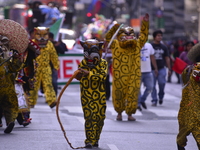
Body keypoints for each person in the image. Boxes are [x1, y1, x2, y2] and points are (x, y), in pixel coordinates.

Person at [105, 13, 149, 121]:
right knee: (118, 93)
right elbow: (107, 39)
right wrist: (113, 29)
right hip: (120, 75)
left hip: (134, 74)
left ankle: (130, 114)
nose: (128, 35)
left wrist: (145, 23)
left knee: (133, 94)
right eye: (125, 33)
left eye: (131, 33)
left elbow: (144, 36)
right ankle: (119, 113)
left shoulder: (137, 44)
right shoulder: (115, 44)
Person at [75, 39, 107, 148]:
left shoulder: (103, 63)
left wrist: (88, 73)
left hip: (100, 95)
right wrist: (79, 73)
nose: (89, 55)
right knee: (89, 117)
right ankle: (89, 140)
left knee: (99, 117)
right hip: (86, 94)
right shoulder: (83, 62)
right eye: (86, 50)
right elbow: (78, 77)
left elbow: (102, 77)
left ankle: (96, 138)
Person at [0, 19, 29, 133]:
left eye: (4, 44)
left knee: (11, 105)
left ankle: (10, 122)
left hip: (7, 87)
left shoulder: (6, 60)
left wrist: (17, 60)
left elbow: (14, 68)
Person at [176, 42, 200, 150]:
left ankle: (180, 146)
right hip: (193, 107)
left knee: (184, 132)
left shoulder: (189, 69)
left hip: (188, 107)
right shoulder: (195, 69)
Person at [28, 27, 59, 108]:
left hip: (46, 67)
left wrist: (56, 65)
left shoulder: (49, 44)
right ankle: (31, 101)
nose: (42, 37)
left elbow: (54, 55)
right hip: (35, 68)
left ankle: (51, 100)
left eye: (44, 35)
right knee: (34, 85)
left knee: (48, 84)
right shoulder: (32, 44)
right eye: (39, 34)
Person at [151, 30, 171, 106]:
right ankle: (154, 100)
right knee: (152, 85)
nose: (160, 37)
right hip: (152, 69)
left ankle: (161, 96)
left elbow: (167, 58)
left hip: (162, 68)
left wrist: (169, 69)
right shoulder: (150, 46)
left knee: (162, 83)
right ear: (154, 37)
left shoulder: (164, 47)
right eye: (158, 36)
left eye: (161, 36)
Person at [137, 42, 158, 111]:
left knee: (150, 87)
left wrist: (155, 68)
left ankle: (142, 100)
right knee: (137, 89)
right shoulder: (134, 44)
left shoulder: (149, 45)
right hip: (137, 71)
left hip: (148, 71)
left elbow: (152, 57)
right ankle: (138, 104)